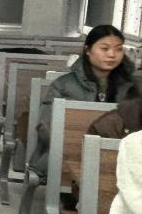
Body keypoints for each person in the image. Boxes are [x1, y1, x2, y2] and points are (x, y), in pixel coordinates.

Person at [30, 25, 138, 173]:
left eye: (118, 49)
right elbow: (45, 127)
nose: (112, 54)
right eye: (104, 48)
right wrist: (75, 151)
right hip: (64, 158)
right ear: (88, 50)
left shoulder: (130, 88)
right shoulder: (63, 84)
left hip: (119, 162)